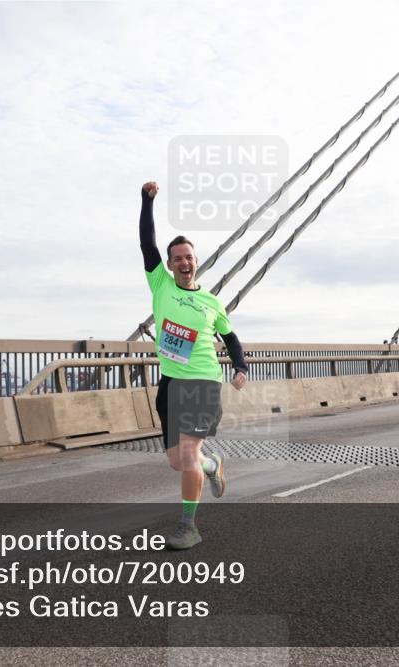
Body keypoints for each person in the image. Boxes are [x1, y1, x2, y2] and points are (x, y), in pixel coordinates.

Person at [139, 181, 249, 550]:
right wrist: (147, 201)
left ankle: (188, 526)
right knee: (178, 461)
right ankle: (211, 465)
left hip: (202, 382)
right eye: (177, 259)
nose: (184, 263)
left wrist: (240, 366)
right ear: (169, 266)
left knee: (186, 453)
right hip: (170, 383)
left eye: (189, 257)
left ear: (196, 261)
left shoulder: (212, 302)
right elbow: (146, 243)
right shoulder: (161, 287)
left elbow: (230, 338)